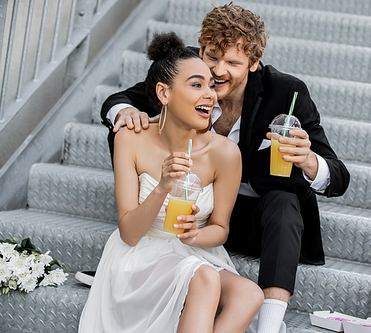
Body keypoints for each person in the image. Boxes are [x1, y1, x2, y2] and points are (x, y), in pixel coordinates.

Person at [79, 3, 350, 333]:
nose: (218, 71)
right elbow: (124, 98)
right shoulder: (190, 74)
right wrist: (126, 114)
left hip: (249, 220)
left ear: (253, 64)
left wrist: (309, 160)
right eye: (211, 56)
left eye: (233, 63)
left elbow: (338, 177)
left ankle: (270, 324)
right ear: (201, 49)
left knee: (284, 201)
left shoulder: (285, 93)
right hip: (179, 217)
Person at [78, 32, 264, 333]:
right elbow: (129, 233)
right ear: (164, 94)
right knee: (205, 278)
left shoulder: (226, 153)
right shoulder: (130, 139)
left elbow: (220, 229)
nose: (210, 94)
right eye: (196, 85)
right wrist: (163, 185)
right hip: (139, 255)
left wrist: (195, 236)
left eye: (210, 85)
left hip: (193, 252)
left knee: (249, 294)